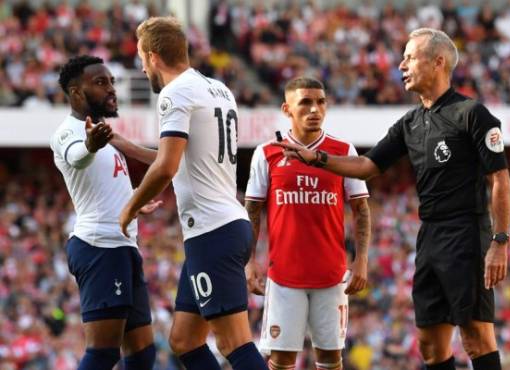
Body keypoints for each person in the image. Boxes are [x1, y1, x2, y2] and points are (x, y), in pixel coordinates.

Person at [275, 28, 510, 370]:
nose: (401, 65)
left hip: (466, 234)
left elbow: (500, 179)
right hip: (429, 236)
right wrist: (317, 158)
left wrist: (500, 241)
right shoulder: (410, 122)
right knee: (430, 345)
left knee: (475, 338)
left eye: (410, 57)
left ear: (438, 62)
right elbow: (367, 165)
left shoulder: (472, 114)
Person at [118, 17, 269, 370]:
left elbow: (167, 168)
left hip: (211, 231)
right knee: (184, 341)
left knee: (235, 343)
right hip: (224, 225)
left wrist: (129, 207)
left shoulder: (175, 93)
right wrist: (125, 145)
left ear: (154, 56)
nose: (141, 68)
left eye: (141, 58)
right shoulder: (216, 88)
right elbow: (178, 158)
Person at [244, 77, 371, 370]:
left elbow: (361, 208)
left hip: (332, 273)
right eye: (306, 102)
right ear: (287, 109)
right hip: (284, 275)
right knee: (282, 359)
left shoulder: (343, 150)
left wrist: (361, 259)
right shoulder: (267, 152)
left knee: (329, 358)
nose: (315, 109)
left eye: (321, 102)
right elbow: (252, 210)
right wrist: (248, 261)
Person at [50, 55, 159, 370]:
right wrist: (90, 145)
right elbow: (77, 157)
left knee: (143, 353)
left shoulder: (107, 136)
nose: (111, 89)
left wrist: (135, 204)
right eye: (100, 83)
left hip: (123, 247)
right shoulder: (68, 132)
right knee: (103, 353)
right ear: (76, 93)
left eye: (111, 82)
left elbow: (104, 187)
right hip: (100, 247)